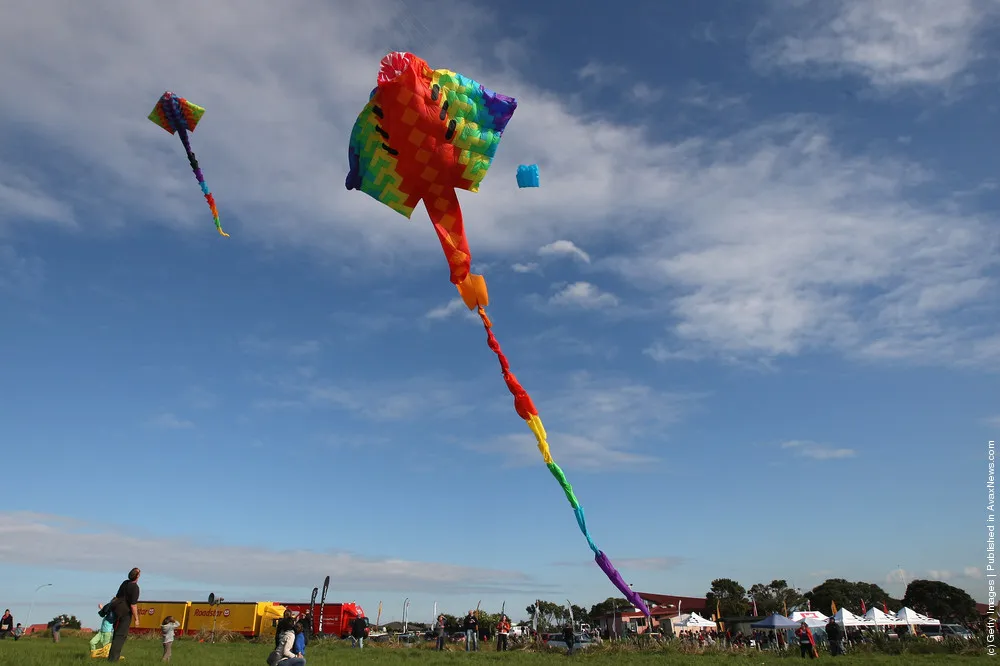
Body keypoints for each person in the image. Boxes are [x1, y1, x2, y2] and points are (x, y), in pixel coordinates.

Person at [108, 567, 141, 662]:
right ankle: (113, 660)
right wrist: (136, 619)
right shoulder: (135, 588)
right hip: (125, 613)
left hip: (117, 610)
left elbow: (117, 596)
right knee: (120, 636)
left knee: (116, 634)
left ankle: (111, 657)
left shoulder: (125, 583)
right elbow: (133, 605)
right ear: (137, 576)